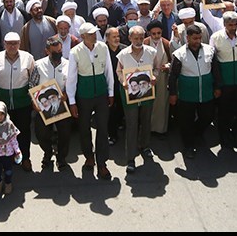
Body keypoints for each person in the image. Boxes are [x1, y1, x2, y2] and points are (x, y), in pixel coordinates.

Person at [66, 21, 114, 180]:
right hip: (84, 95)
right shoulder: (75, 52)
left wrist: (111, 91)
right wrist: (72, 101)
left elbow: (108, 71)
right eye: (91, 34)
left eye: (95, 33)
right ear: (83, 36)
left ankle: (102, 163)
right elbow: (71, 78)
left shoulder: (103, 47)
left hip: (101, 94)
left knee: (102, 128)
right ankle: (89, 156)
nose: (94, 36)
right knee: (84, 127)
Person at [0, 32, 35, 171]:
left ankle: (25, 158)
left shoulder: (28, 58)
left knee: (23, 131)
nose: (13, 46)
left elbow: (34, 79)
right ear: (4, 44)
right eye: (9, 43)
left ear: (19, 44)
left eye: (15, 43)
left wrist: (34, 99)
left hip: (23, 103)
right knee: (3, 133)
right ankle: (7, 159)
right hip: (3, 104)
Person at [169, 24, 218, 159]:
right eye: (194, 38)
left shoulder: (210, 50)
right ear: (188, 38)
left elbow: (215, 70)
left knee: (207, 116)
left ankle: (197, 133)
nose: (197, 41)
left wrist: (217, 87)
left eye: (199, 38)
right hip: (187, 94)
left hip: (206, 91)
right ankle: (188, 146)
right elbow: (172, 76)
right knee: (186, 121)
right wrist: (172, 93)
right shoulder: (179, 54)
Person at [210, 12, 237, 150]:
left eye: (235, 24)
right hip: (225, 81)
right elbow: (212, 61)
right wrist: (217, 83)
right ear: (224, 25)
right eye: (230, 25)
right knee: (224, 111)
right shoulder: (216, 38)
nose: (233, 27)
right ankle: (224, 137)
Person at [116, 25, 157, 172]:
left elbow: (157, 68)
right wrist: (123, 82)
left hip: (147, 92)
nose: (138, 41)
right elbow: (119, 71)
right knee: (132, 124)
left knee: (146, 120)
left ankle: (145, 146)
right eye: (135, 38)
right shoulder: (123, 54)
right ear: (129, 38)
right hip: (130, 93)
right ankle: (131, 158)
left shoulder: (151, 52)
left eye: (141, 38)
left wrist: (154, 77)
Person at [29, 36, 71, 169]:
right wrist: (33, 102)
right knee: (41, 133)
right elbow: (31, 84)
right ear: (47, 51)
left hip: (61, 105)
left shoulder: (68, 64)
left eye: (60, 51)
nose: (58, 54)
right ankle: (47, 152)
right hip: (43, 107)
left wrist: (67, 94)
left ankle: (61, 157)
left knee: (65, 133)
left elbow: (72, 84)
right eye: (55, 52)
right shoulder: (38, 64)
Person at [145, 20, 172, 136]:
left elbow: (173, 60)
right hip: (147, 78)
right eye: (153, 33)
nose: (156, 36)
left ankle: (161, 129)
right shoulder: (145, 43)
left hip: (162, 78)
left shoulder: (167, 44)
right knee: (148, 105)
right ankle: (147, 129)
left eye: (159, 33)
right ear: (149, 33)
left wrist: (168, 66)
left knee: (161, 104)